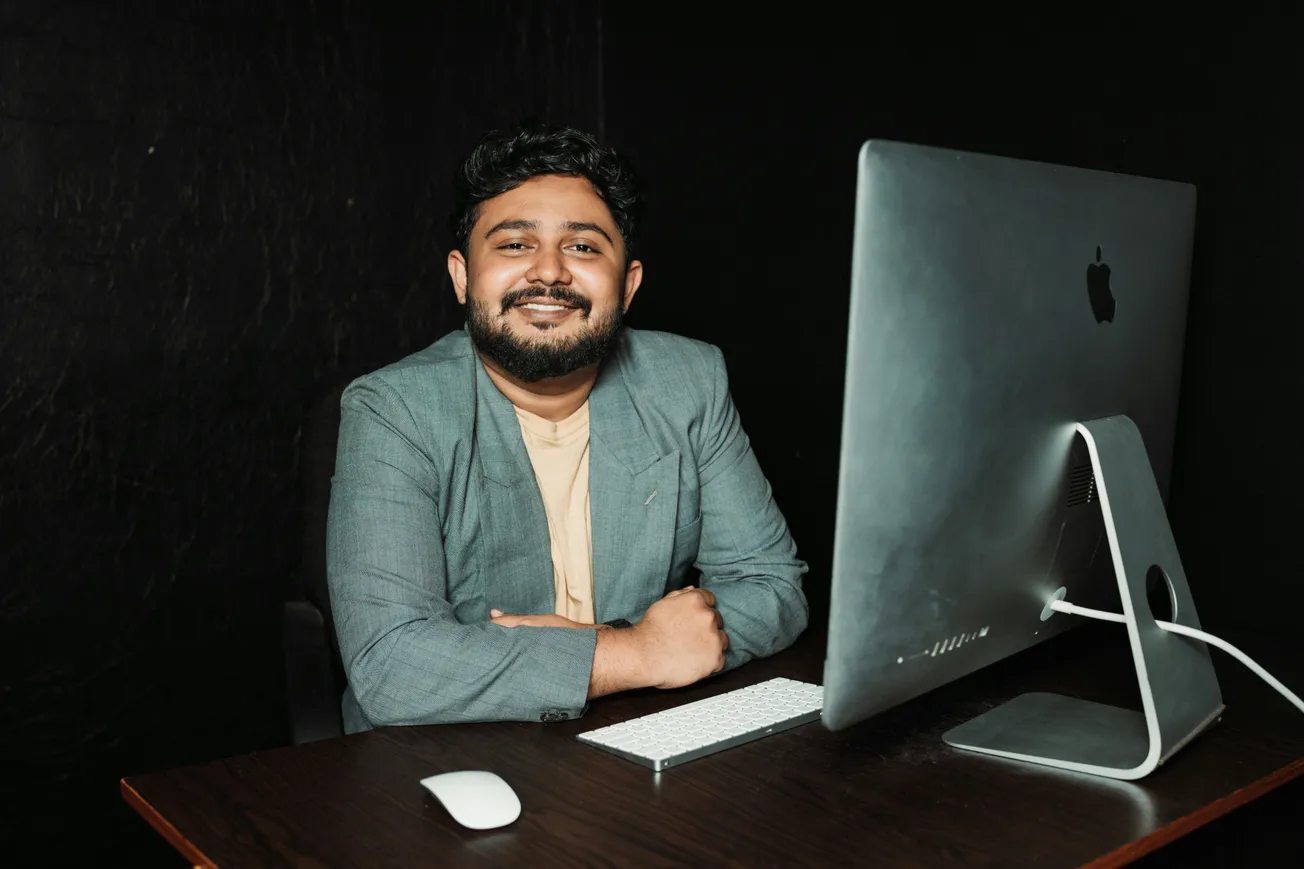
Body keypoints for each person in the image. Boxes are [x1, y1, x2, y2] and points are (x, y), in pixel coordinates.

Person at [326, 122, 809, 732]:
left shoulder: (688, 379)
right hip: (447, 760)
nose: (549, 272)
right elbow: (393, 667)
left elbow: (771, 588)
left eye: (583, 247)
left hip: (635, 738)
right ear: (461, 276)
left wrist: (613, 653)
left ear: (627, 284)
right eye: (513, 245)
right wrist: (636, 653)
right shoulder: (394, 409)